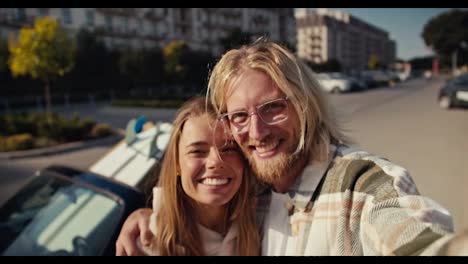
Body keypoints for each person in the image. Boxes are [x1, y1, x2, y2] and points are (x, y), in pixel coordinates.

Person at [116, 39, 468, 256]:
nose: (257, 131)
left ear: (305, 105)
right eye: (239, 116)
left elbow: (415, 237)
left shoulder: (361, 187)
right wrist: (146, 216)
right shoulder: (250, 193)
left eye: (273, 108)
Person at [117, 97, 260, 256]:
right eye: (197, 151)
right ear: (177, 164)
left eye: (229, 149)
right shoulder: (145, 244)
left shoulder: (261, 222)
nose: (216, 161)